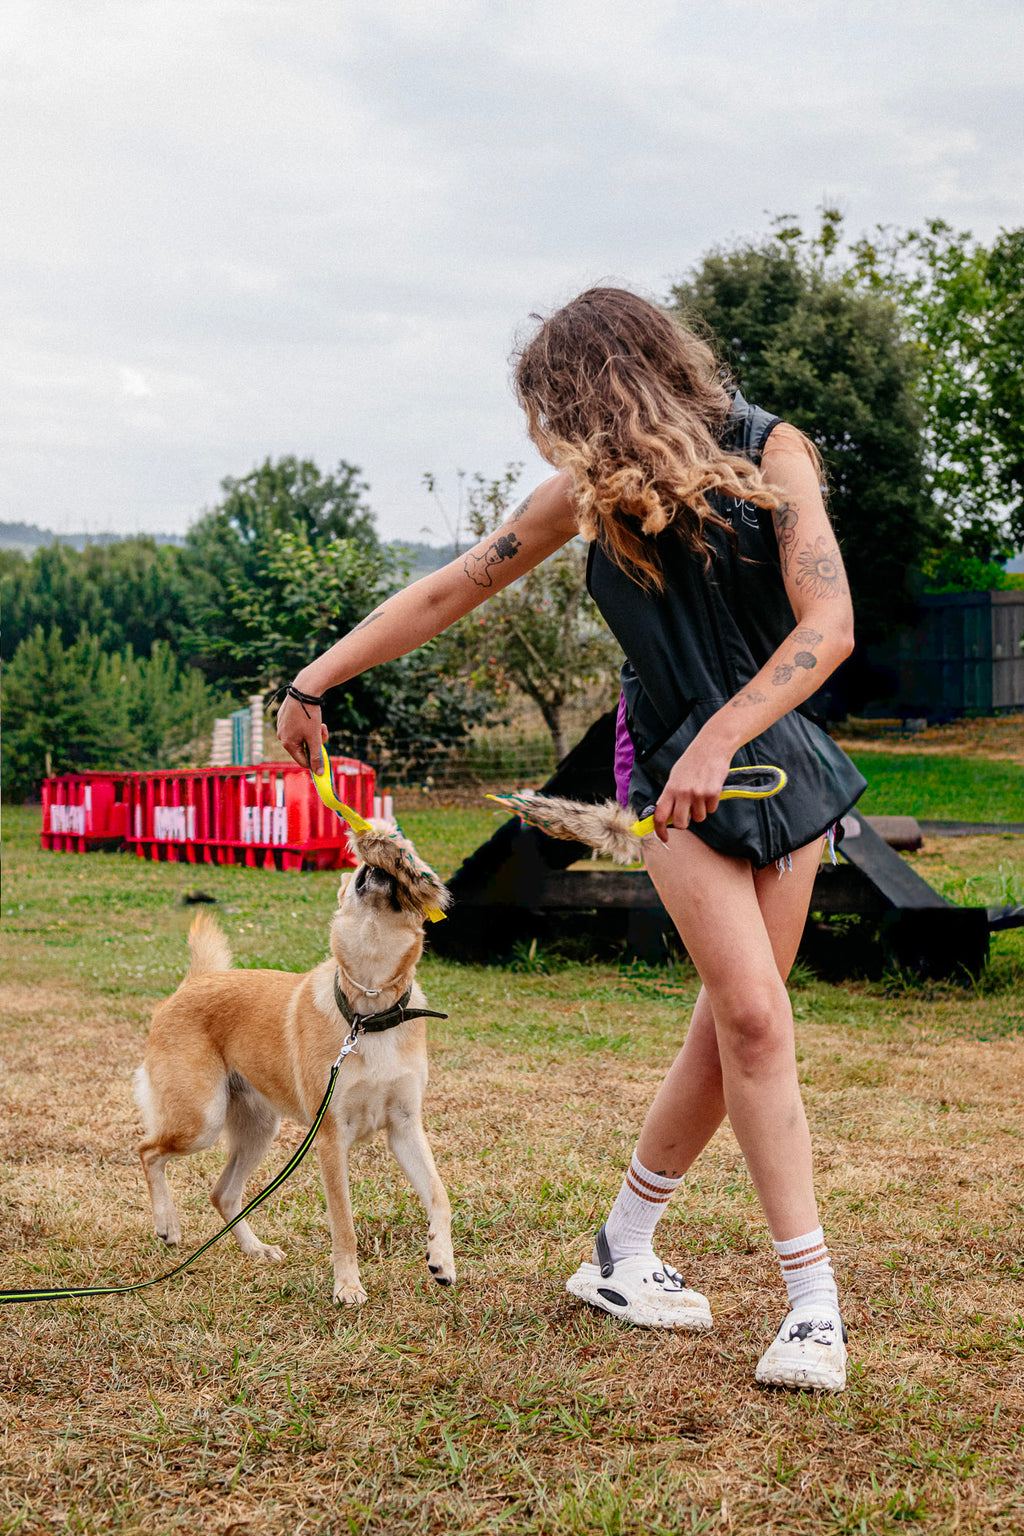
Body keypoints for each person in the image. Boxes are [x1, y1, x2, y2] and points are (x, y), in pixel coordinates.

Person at [277, 287, 864, 1392]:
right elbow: (450, 590)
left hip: (781, 763)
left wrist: (724, 738)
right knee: (749, 1014)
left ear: (597, 390)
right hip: (667, 774)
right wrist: (315, 681)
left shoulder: (773, 451)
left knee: (738, 1021)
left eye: (553, 409)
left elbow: (826, 627)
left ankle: (620, 1250)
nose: (553, 436)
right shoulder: (580, 499)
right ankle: (812, 1305)